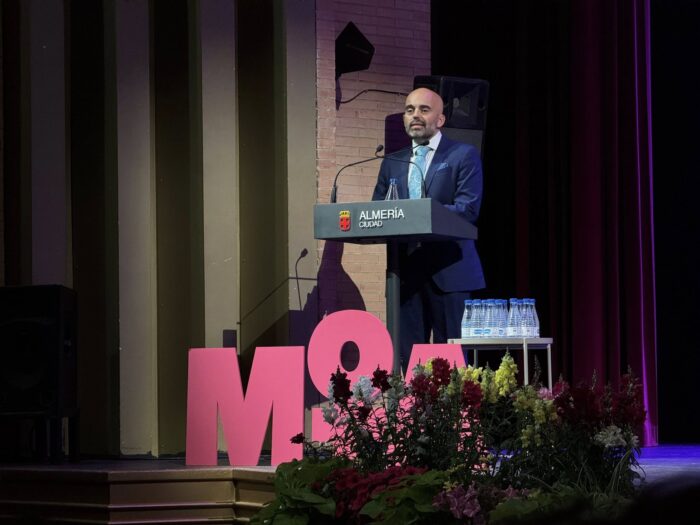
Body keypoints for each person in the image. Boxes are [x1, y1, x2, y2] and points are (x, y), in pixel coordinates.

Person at [372, 87, 485, 371]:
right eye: (409, 110)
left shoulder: (462, 155)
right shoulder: (392, 162)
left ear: (440, 119)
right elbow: (378, 211)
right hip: (405, 275)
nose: (415, 116)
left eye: (424, 109)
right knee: (410, 366)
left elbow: (468, 209)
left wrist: (422, 213)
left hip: (450, 273)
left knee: (455, 366)